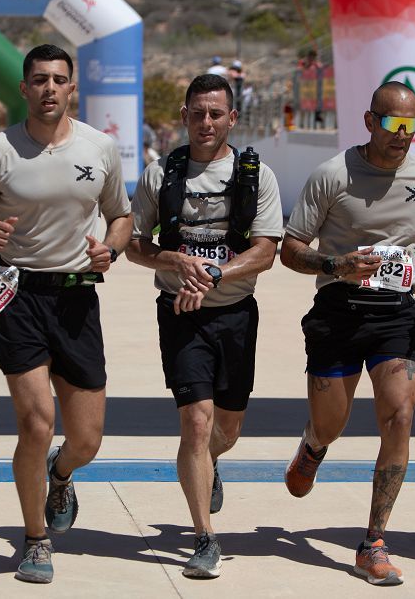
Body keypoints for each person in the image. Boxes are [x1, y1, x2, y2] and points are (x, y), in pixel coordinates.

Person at [0, 44, 132, 585]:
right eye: (39, 79)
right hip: (15, 292)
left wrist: (112, 250)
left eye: (59, 79)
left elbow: (120, 216)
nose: (49, 88)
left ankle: (61, 472)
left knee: (87, 440)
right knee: (35, 422)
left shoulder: (100, 148)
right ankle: (35, 539)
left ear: (72, 88)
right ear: (24, 88)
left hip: (77, 295)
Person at [280, 81, 415, 586]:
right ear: (370, 121)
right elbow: (290, 249)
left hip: (397, 315)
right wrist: (336, 264)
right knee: (330, 423)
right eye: (393, 124)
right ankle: (313, 448)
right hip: (338, 312)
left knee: (400, 414)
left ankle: (374, 541)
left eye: (412, 125)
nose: (403, 135)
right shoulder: (333, 175)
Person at [127, 74, 283, 579]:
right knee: (195, 422)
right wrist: (173, 259)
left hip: (236, 314)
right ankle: (203, 536)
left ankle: (210, 465)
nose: (207, 122)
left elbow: (265, 252)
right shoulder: (161, 173)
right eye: (198, 113)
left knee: (226, 429)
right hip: (180, 314)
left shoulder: (257, 175)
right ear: (184, 115)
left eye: (216, 114)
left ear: (232, 118)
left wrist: (216, 272)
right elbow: (133, 244)